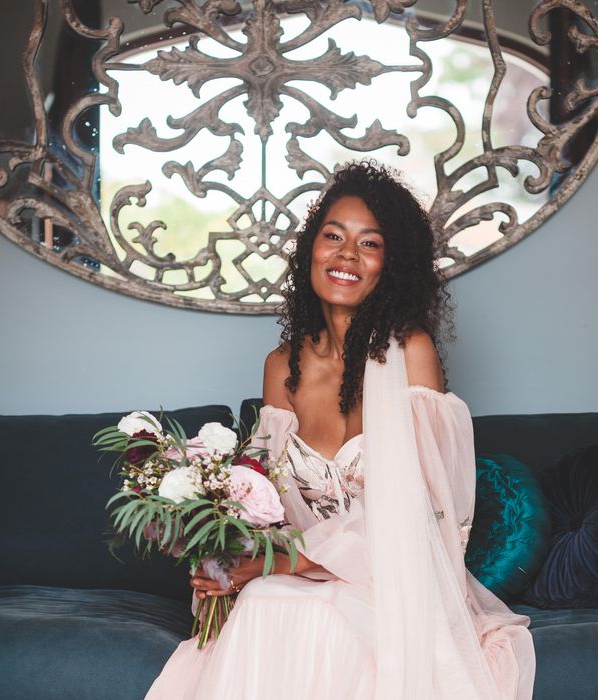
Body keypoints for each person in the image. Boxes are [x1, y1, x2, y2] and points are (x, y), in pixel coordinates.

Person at [144, 160, 536, 699]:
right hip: (296, 577)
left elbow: (424, 522)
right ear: (311, 250)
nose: (347, 255)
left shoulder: (411, 354)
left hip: (394, 581)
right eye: (333, 236)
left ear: (389, 265)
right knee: (265, 602)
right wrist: (224, 557)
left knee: (298, 610)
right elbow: (266, 502)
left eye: (369, 244)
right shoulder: (280, 367)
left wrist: (275, 564)